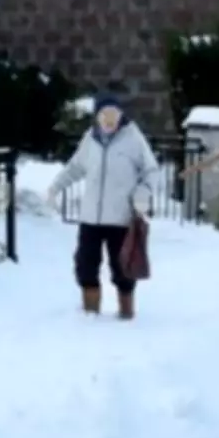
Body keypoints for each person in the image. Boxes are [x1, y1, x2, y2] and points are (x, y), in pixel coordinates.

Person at [47, 93, 159, 319]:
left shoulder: (133, 138)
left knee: (123, 267)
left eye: (114, 114)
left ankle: (126, 311)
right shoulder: (90, 139)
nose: (109, 120)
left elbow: (151, 171)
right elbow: (75, 168)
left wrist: (143, 193)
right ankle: (90, 311)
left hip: (120, 218)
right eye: (104, 114)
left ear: (121, 116)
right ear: (97, 117)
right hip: (91, 218)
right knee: (85, 264)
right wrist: (55, 188)